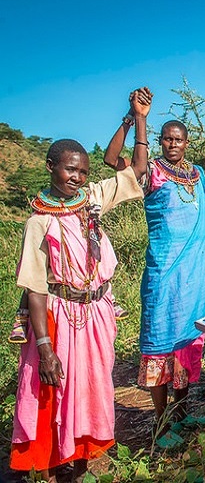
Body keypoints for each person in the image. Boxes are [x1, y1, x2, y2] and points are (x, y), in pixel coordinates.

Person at [10, 91, 148, 482]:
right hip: (59, 315)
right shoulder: (39, 221)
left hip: (96, 311)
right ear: (51, 167)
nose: (78, 178)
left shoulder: (93, 199)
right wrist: (44, 346)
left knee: (91, 386)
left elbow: (137, 168)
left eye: (84, 172)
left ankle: (84, 461)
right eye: (70, 170)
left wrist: (138, 118)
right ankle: (54, 466)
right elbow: (36, 287)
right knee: (54, 389)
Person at [104, 89, 205, 446]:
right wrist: (135, 117)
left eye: (177, 139)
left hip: (195, 277)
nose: (172, 144)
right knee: (160, 340)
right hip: (165, 274)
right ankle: (160, 421)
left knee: (185, 341)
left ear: (186, 143)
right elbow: (110, 159)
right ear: (160, 141)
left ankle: (181, 414)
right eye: (166, 139)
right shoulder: (150, 172)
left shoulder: (197, 174)